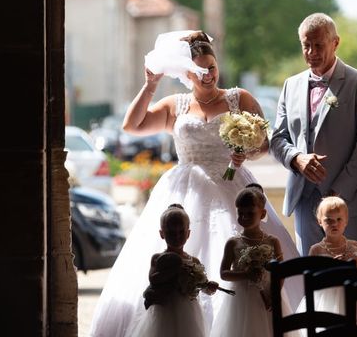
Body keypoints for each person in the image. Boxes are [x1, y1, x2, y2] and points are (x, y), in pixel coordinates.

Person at [89, 30, 301, 337]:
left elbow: (264, 144)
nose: (208, 74)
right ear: (187, 73)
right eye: (200, 69)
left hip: (231, 184)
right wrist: (150, 86)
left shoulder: (239, 98)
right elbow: (131, 125)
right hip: (183, 188)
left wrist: (247, 152)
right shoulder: (176, 105)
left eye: (211, 67)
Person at [270, 12, 357, 256]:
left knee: (350, 279)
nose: (311, 52)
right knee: (311, 277)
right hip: (304, 199)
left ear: (336, 42)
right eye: (306, 45)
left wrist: (337, 191)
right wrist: (296, 159)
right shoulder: (291, 85)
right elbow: (277, 138)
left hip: (349, 200)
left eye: (319, 45)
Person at [211, 185, 298, 337]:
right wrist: (246, 275)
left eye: (250, 213)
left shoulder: (272, 241)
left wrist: (274, 293)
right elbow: (224, 273)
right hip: (242, 299)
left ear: (262, 213)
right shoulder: (233, 243)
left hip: (269, 295)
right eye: (240, 213)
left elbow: (281, 272)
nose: (244, 217)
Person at [130, 204, 219, 337]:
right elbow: (153, 279)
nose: (177, 236)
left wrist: (208, 286)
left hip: (188, 311)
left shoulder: (194, 261)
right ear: (162, 234)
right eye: (171, 233)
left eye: (181, 232)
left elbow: (201, 283)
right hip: (164, 309)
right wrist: (175, 271)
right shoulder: (158, 258)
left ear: (188, 233)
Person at [295, 196, 357, 331]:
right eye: (329, 220)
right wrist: (329, 269)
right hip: (326, 299)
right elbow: (310, 280)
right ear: (319, 222)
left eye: (339, 219)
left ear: (346, 221)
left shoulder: (354, 245)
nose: (334, 224)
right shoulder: (316, 249)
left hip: (352, 297)